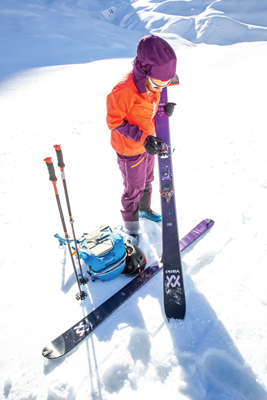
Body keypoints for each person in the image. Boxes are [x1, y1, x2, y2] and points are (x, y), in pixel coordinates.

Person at [106, 35, 179, 239]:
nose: (159, 90)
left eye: (164, 86)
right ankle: (131, 229)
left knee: (148, 179)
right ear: (146, 72)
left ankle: (145, 210)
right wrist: (143, 139)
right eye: (157, 85)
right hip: (130, 149)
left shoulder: (151, 83)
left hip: (147, 144)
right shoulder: (123, 91)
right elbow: (114, 121)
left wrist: (162, 109)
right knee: (133, 189)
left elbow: (146, 108)